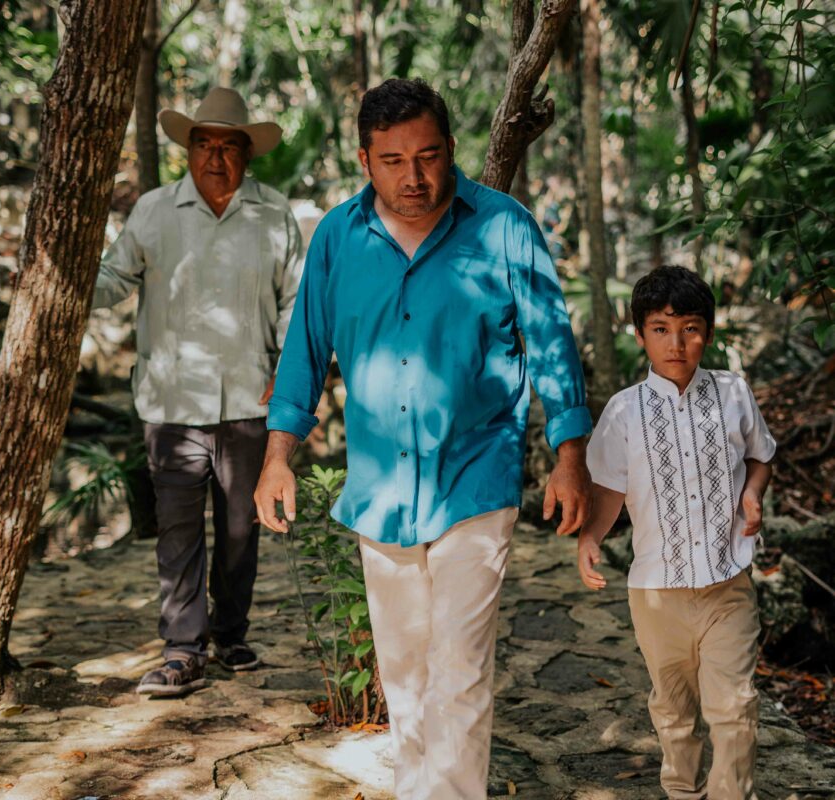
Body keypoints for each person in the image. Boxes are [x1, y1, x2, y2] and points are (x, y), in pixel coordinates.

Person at [254, 78, 592, 799]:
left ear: (452, 149)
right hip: (379, 490)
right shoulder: (339, 239)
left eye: (430, 155)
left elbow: (552, 344)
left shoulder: (503, 227)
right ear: (364, 160)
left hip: (476, 477)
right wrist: (276, 456)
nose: (416, 176)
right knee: (404, 680)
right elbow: (304, 353)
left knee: (461, 672)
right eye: (394, 160)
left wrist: (569, 457)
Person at [93, 87, 304, 697]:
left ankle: (231, 631)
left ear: (247, 155)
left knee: (242, 529)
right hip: (170, 402)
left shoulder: (274, 214)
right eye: (205, 144)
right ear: (188, 150)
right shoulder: (155, 212)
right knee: (178, 530)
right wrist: (66, 274)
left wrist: (286, 367)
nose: (216, 157)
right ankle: (184, 647)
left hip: (248, 402)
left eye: (229, 146)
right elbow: (112, 278)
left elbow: (296, 300)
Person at [578, 265, 776, 800]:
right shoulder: (622, 412)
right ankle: (683, 793)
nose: (677, 343)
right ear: (640, 334)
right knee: (673, 711)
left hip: (726, 584)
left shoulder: (734, 394)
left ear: (708, 333)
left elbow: (761, 457)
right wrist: (591, 537)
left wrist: (752, 493)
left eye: (690, 328)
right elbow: (610, 492)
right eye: (661, 329)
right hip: (656, 591)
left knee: (734, 707)